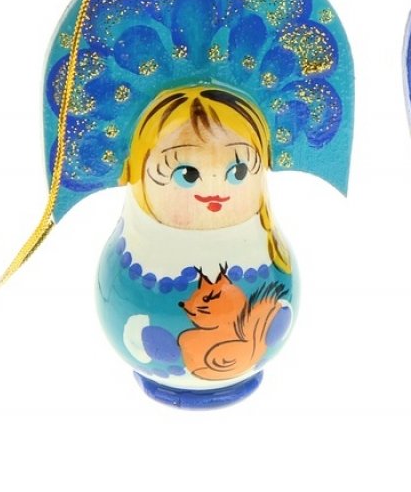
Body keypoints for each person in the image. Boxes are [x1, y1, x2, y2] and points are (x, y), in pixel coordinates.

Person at [96, 86, 294, 404]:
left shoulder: (261, 256)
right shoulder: (137, 259)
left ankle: (169, 351)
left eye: (238, 171)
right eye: (187, 173)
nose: (214, 187)